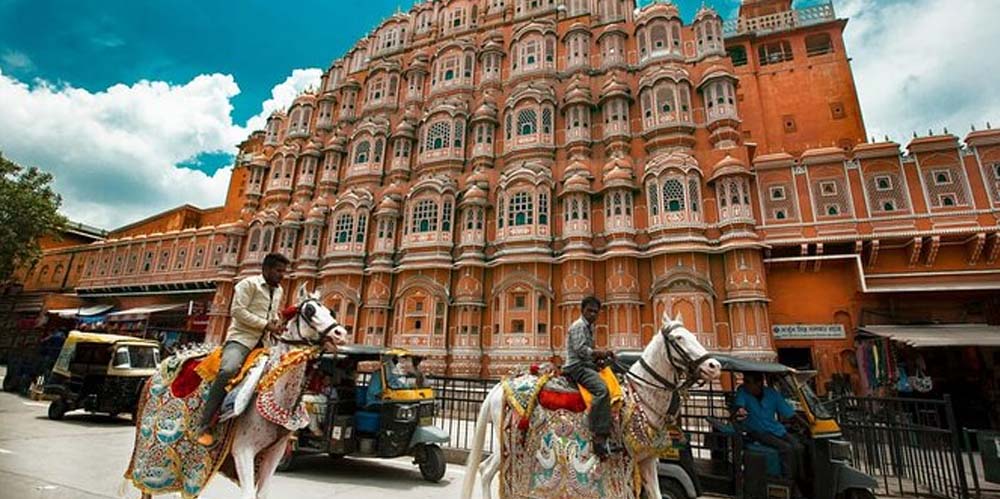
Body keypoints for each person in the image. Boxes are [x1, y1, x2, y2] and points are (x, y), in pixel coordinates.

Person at [195, 252, 289, 446]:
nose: (282, 275)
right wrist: (265, 325)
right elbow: (237, 311)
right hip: (241, 340)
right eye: (279, 271)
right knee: (228, 370)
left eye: (284, 271)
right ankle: (204, 425)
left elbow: (271, 318)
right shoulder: (247, 285)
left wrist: (277, 327)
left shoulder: (278, 291)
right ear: (266, 269)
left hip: (265, 343)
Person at [563, 295, 618, 458]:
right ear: (582, 311)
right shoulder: (579, 326)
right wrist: (598, 353)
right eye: (589, 311)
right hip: (576, 367)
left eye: (595, 312)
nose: (593, 314)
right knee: (602, 389)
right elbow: (581, 350)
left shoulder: (589, 327)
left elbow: (589, 353)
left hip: (585, 364)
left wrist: (603, 357)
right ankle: (598, 436)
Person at [733, 371, 805, 488]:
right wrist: (740, 410)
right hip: (757, 431)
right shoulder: (743, 391)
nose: (745, 384)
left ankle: (801, 477)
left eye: (749, 382)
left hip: (776, 429)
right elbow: (739, 406)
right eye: (745, 381)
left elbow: (789, 413)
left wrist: (807, 425)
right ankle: (787, 480)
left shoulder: (772, 394)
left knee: (798, 447)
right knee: (785, 448)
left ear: (759, 383)